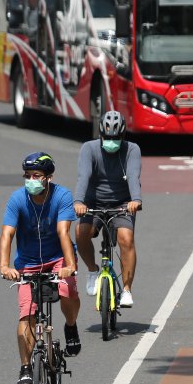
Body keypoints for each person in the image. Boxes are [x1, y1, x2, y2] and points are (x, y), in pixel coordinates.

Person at [0, 152, 81, 384]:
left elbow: (63, 232)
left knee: (67, 292)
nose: (31, 180)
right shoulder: (17, 199)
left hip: (58, 258)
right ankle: (25, 367)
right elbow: (7, 234)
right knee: (27, 313)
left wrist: (70, 266)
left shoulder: (62, 196)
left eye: (36, 175)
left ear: (49, 177)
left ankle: (71, 326)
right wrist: (5, 266)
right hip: (28, 261)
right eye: (27, 176)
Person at [73, 111, 142, 307]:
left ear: (122, 136)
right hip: (93, 203)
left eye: (116, 138)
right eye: (107, 138)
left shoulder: (132, 150)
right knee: (81, 231)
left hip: (122, 203)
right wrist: (78, 202)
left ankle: (127, 290)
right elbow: (83, 177)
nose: (111, 141)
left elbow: (133, 176)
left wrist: (135, 200)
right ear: (101, 135)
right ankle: (93, 270)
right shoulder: (89, 148)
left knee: (126, 239)